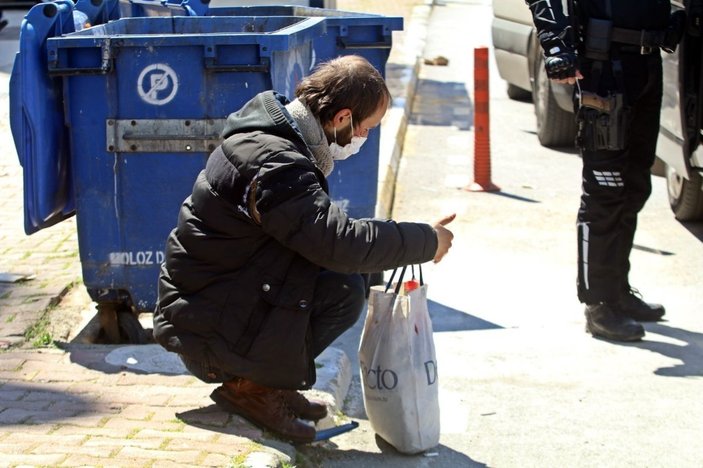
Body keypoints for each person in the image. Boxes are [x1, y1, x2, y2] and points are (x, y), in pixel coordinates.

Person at [152, 55, 455, 443]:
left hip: (211, 307)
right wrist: (425, 241)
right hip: (205, 335)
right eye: (366, 128)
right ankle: (251, 389)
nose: (363, 138)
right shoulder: (277, 163)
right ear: (342, 118)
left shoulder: (275, 136)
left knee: (349, 277)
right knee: (342, 289)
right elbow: (338, 243)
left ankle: (269, 380)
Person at [526, 0, 686, 341]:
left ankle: (617, 292)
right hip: (603, 69)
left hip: (647, 63)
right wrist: (556, 45)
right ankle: (598, 304)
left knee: (634, 186)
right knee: (605, 190)